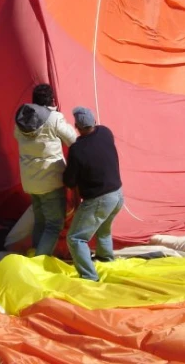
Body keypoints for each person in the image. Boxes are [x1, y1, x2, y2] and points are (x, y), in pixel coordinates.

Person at [14, 83, 77, 256]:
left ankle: (34, 253)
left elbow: (16, 136)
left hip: (30, 180)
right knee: (54, 224)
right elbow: (73, 139)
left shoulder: (21, 118)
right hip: (50, 179)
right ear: (51, 100)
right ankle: (39, 261)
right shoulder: (54, 118)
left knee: (40, 221)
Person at [63, 106, 124, 281]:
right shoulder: (105, 132)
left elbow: (69, 181)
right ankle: (106, 261)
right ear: (94, 121)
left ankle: (89, 276)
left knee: (75, 238)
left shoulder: (77, 149)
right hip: (118, 195)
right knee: (103, 229)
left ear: (77, 127)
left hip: (99, 199)